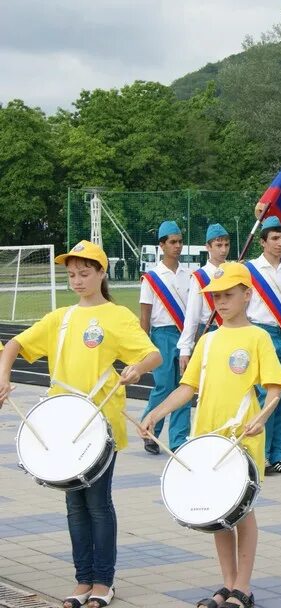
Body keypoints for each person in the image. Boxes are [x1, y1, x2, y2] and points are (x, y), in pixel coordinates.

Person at [0, 241, 162, 608]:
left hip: (99, 424)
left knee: (98, 503)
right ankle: (82, 580)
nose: (76, 280)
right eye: (71, 274)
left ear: (101, 273)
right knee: (75, 505)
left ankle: (103, 582)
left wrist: (137, 367)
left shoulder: (117, 316)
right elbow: (13, 345)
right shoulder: (62, 318)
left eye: (84, 273)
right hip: (62, 424)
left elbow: (153, 353)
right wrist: (4, 375)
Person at [139, 262, 281, 608]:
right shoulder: (207, 341)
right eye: (216, 296)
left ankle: (244, 587)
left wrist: (262, 419)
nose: (220, 302)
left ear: (246, 295)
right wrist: (155, 414)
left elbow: (275, 390)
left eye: (228, 295)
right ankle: (227, 583)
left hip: (242, 440)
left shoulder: (258, 337)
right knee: (218, 514)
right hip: (207, 439)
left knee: (243, 511)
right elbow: (186, 388)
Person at [244, 216, 281, 475]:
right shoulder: (250, 270)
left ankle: (278, 454)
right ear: (263, 241)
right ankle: (260, 455)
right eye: (275, 239)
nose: (280, 243)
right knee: (263, 398)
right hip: (260, 334)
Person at [139, 221, 192, 454]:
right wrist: (143, 346)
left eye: (180, 241)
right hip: (161, 335)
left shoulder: (189, 275)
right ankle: (149, 430)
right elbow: (145, 315)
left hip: (183, 335)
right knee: (163, 386)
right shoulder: (151, 278)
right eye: (172, 242)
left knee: (184, 386)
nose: (177, 246)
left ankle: (179, 439)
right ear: (162, 245)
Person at [177, 224, 231, 373]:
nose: (223, 250)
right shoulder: (200, 277)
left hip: (232, 332)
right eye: (218, 245)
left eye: (226, 245)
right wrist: (185, 348)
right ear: (208, 247)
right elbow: (192, 315)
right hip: (209, 331)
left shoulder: (234, 272)